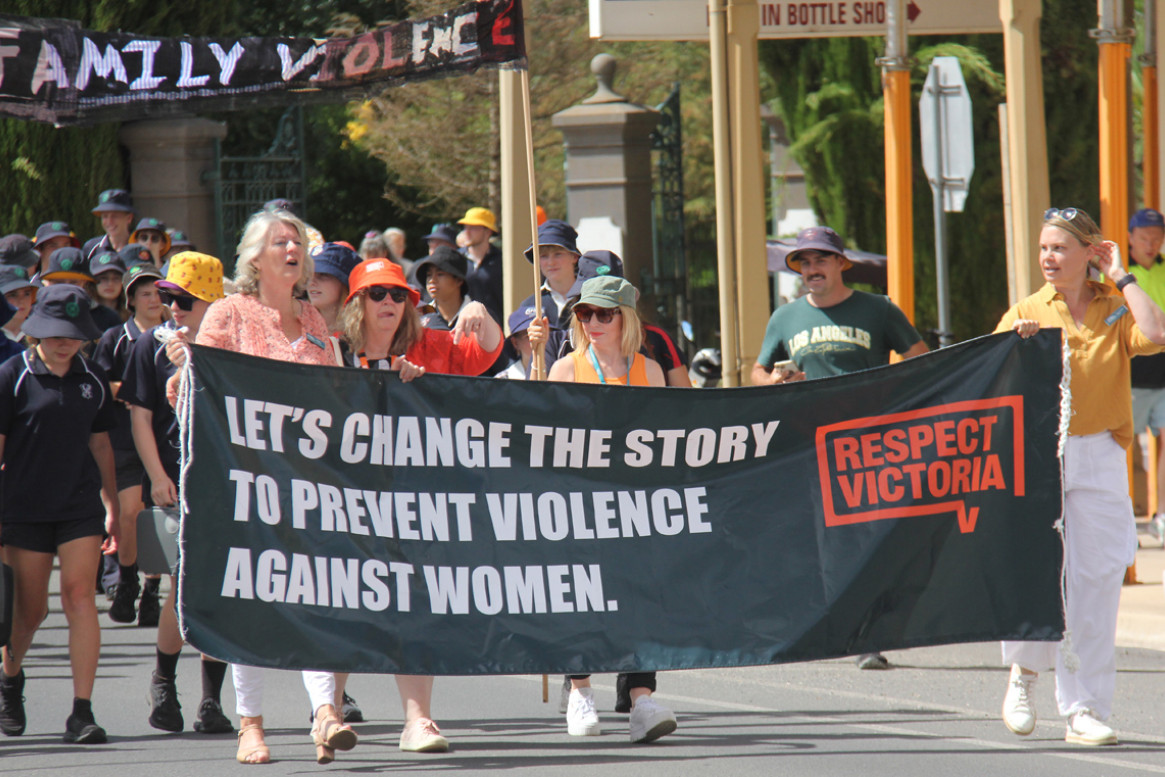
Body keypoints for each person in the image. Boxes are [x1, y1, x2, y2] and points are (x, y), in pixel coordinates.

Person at [166, 209, 357, 765]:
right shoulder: (230, 313)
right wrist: (188, 363)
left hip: (311, 486)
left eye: (297, 240)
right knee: (255, 598)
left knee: (317, 593)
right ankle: (251, 725)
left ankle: (325, 714)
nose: (292, 248)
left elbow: (337, 394)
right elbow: (195, 394)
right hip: (247, 487)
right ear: (256, 256)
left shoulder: (316, 319)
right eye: (280, 241)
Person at [997, 207, 1165, 747]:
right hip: (1039, 456)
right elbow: (989, 379)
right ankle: (1023, 677)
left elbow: (1157, 332)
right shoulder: (1026, 310)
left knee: (1097, 580)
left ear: (1088, 253)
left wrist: (1122, 274)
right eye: (1044, 248)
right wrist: (1015, 349)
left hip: (1097, 453)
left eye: (1060, 248)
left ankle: (1084, 709)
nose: (1049, 257)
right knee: (1037, 571)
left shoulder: (1115, 306)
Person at [334, 258, 502, 753]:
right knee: (342, 604)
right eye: (377, 293)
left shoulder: (429, 345)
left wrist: (478, 310)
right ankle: (328, 709)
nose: (390, 303)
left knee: (413, 609)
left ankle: (418, 721)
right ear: (356, 304)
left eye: (397, 295)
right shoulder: (331, 354)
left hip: (414, 505)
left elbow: (487, 351)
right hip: (346, 502)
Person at [751, 226, 927, 670]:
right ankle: (833, 627)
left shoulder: (878, 309)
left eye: (821, 260)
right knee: (823, 537)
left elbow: (922, 361)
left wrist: (896, 400)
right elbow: (758, 370)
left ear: (841, 264)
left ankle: (870, 633)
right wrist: (774, 381)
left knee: (868, 533)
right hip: (810, 442)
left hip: (871, 442)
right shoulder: (785, 318)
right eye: (804, 262)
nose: (812, 269)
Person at [537, 276, 676, 743]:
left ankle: (641, 699)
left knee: (643, 598)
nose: (592, 322)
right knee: (580, 597)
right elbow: (547, 441)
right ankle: (580, 692)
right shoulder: (566, 368)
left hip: (635, 505)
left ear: (626, 318)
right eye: (583, 313)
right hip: (579, 503)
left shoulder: (650, 372)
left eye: (603, 313)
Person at [119, 251, 234, 736]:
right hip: (176, 480)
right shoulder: (149, 345)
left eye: (185, 299)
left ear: (210, 303)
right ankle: (164, 680)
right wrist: (155, 474)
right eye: (167, 297)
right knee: (183, 587)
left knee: (220, 592)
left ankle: (212, 700)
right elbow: (139, 415)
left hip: (224, 482)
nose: (174, 307)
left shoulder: (229, 346)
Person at [0, 284, 119, 744]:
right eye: (53, 332)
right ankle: (11, 679)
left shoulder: (92, 381)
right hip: (24, 508)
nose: (63, 340)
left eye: (71, 332)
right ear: (36, 331)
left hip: (79, 506)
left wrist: (112, 507)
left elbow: (101, 442)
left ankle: (81, 712)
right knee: (29, 613)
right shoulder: (12, 375)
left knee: (79, 598)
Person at [95, 263, 167, 628]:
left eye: (157, 292)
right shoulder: (115, 338)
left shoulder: (175, 336)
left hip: (165, 439)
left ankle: (152, 589)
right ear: (131, 300)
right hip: (124, 439)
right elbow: (99, 385)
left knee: (157, 517)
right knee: (129, 513)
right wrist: (133, 391)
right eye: (144, 293)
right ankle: (127, 580)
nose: (153, 299)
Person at [1125, 207, 1165, 546]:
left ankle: (1161, 514)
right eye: (1144, 238)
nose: (1151, 245)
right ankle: (1123, 516)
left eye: (1157, 238)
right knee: (1123, 444)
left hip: (1163, 374)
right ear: (1130, 238)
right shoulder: (1121, 273)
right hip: (1132, 373)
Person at [458, 207, 504, 324]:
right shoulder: (456, 259)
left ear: (488, 231)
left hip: (495, 331)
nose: (467, 232)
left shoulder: (502, 261)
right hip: (462, 330)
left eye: (473, 228)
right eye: (465, 227)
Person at [307, 242, 361, 334]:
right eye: (308, 275)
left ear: (343, 282)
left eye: (323, 275)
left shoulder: (362, 334)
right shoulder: (297, 326)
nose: (311, 282)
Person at [416, 246, 471, 330]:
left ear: (459, 280)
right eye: (429, 275)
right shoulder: (421, 316)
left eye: (440, 274)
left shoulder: (479, 316)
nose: (432, 280)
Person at [85, 188, 136, 260]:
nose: (109, 221)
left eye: (115, 216)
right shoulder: (92, 248)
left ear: (129, 218)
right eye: (105, 216)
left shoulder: (139, 247)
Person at [496, 306, 536, 379]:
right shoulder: (502, 381)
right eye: (530, 336)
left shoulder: (561, 375)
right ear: (515, 343)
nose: (539, 340)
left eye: (544, 333)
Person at [89, 251, 129, 323]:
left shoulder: (132, 315)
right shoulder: (85, 314)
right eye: (103, 278)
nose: (110, 284)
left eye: (116, 278)